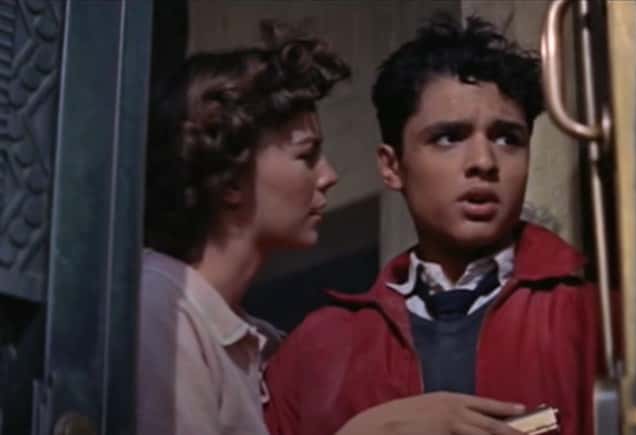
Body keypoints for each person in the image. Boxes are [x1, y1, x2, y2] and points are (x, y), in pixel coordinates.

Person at [137, 23, 526, 435]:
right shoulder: (162, 307)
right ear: (231, 180)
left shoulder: (265, 343)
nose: (328, 176)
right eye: (307, 156)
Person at [264, 13, 602, 435]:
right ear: (392, 167)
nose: (484, 162)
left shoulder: (594, 317)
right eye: (448, 137)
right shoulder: (317, 350)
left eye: (507, 139)